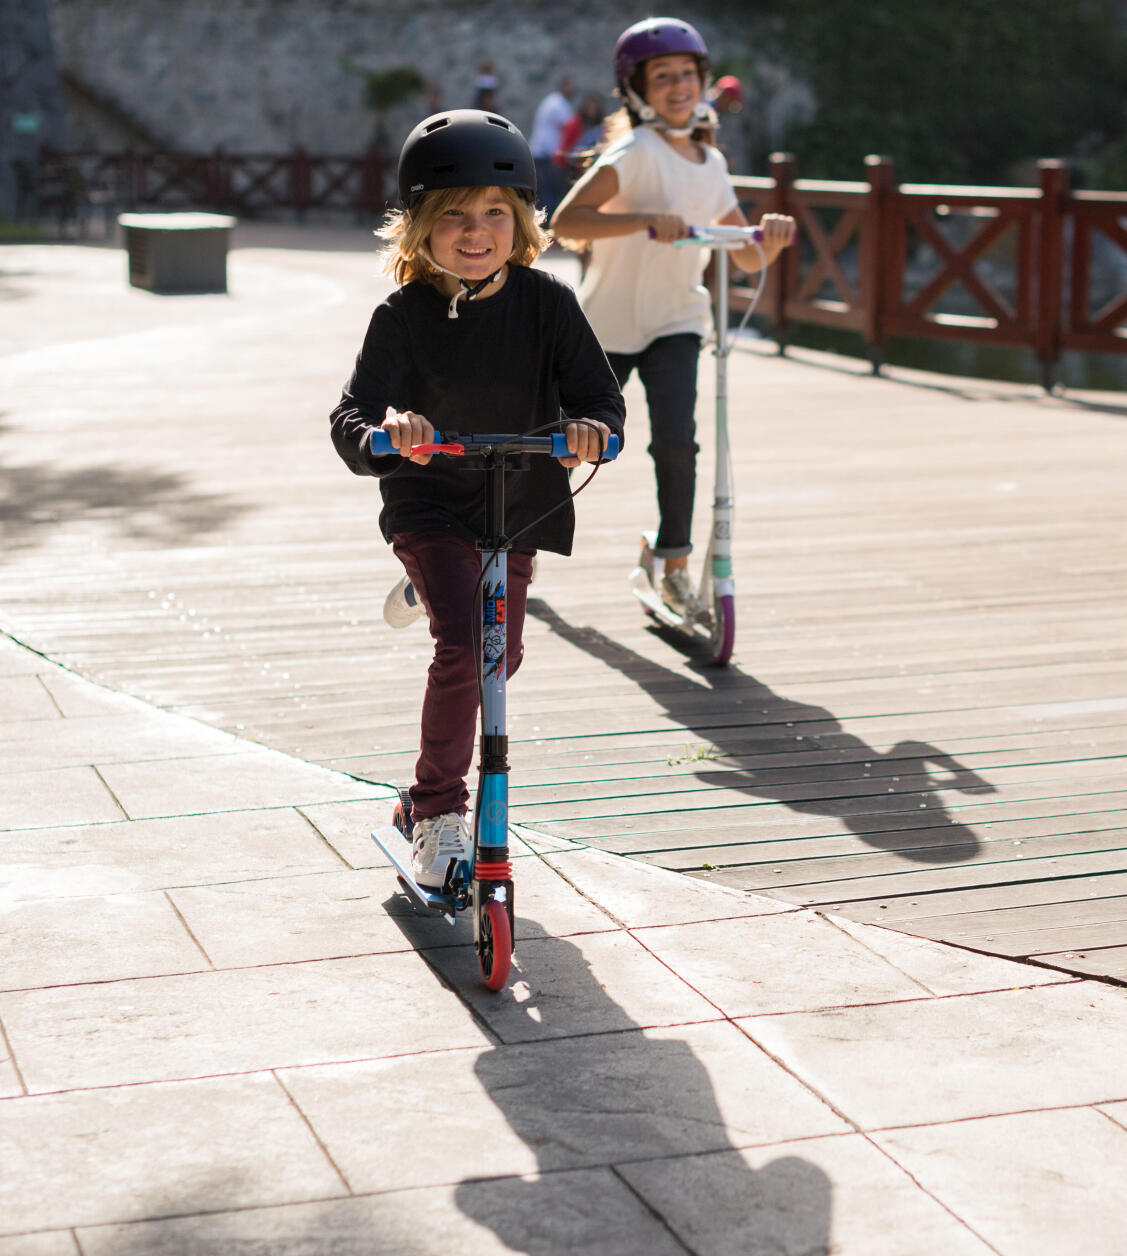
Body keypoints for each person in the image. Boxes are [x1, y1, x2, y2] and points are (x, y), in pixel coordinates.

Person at [330, 108, 623, 887]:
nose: (476, 230)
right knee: (466, 646)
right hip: (429, 504)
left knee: (502, 655)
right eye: (453, 214)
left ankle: (433, 596)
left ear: (522, 222)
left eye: (496, 213)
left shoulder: (548, 304)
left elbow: (601, 397)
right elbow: (351, 419)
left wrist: (594, 428)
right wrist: (389, 434)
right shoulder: (400, 317)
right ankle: (435, 810)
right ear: (419, 226)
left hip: (515, 504)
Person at [551, 17, 794, 617]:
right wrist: (641, 220)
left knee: (678, 444)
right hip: (604, 328)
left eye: (688, 74)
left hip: (677, 322)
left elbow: (743, 254)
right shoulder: (633, 154)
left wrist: (773, 239)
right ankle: (496, 539)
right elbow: (566, 223)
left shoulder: (711, 164)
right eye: (663, 77)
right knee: (565, 448)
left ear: (704, 82)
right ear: (637, 89)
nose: (679, 86)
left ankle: (673, 563)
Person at [529, 74, 576, 215]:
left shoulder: (550, 101)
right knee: (549, 193)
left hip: (539, 153)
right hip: (547, 155)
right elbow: (569, 128)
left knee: (542, 192)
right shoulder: (560, 104)